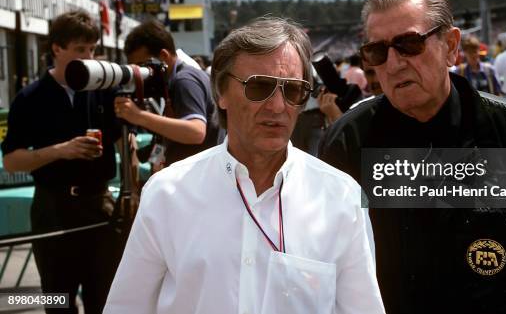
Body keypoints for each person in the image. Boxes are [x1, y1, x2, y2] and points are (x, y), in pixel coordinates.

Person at [318, 0, 506, 314]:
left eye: (409, 44)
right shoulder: (346, 143)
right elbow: (325, 268)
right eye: (378, 52)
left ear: (451, 46)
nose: (393, 64)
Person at [104, 17, 385, 313]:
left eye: (292, 90)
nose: (278, 106)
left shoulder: (341, 197)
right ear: (221, 93)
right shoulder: (167, 193)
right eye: (259, 86)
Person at [2, 10, 122, 313]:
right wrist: (60, 150)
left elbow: (125, 143)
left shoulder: (103, 89)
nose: (89, 56)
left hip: (99, 204)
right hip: (52, 208)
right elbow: (12, 161)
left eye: (93, 49)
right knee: (57, 300)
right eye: (80, 49)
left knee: (104, 299)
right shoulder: (30, 98)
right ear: (57, 48)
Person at [113, 20, 219, 169]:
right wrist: (155, 164)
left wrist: (139, 116)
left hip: (196, 180)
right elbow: (167, 137)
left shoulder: (185, 80)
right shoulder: (171, 82)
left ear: (163, 55)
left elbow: (196, 132)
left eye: (143, 66)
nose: (141, 74)